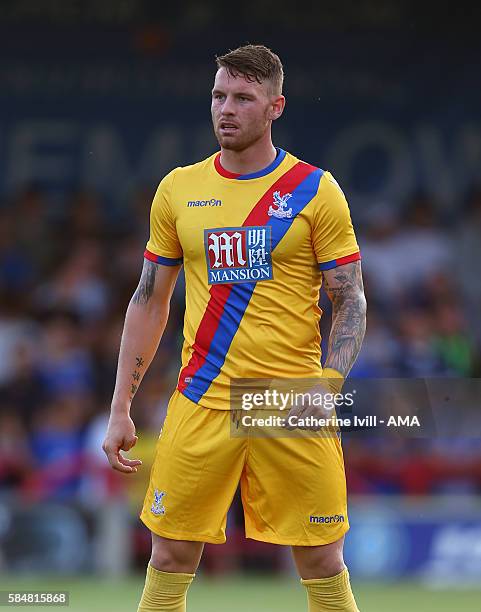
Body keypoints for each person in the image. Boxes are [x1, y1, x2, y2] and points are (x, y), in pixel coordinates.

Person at [103, 44, 366, 612]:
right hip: (202, 399)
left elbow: (351, 302)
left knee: (322, 560)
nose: (226, 108)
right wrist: (122, 405)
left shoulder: (316, 191)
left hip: (289, 402)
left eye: (243, 98)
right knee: (169, 557)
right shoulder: (177, 189)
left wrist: (328, 384)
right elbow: (149, 300)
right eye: (219, 95)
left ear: (275, 107)